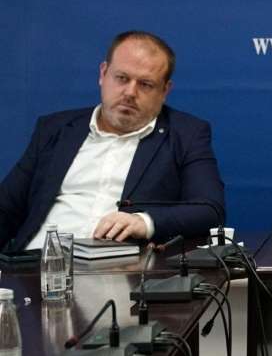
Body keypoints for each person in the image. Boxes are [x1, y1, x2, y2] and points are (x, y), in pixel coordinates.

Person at [0, 31, 225, 251]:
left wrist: (145, 222)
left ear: (165, 90)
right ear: (103, 73)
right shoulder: (55, 129)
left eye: (145, 84)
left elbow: (209, 210)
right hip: (35, 263)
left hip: (118, 268)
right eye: (122, 78)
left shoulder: (185, 135)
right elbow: (6, 208)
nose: (130, 92)